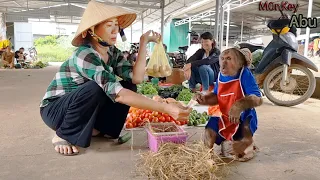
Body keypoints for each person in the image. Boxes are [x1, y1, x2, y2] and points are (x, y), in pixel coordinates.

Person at [39, 0, 191, 156]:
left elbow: (136, 78)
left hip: (81, 108)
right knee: (99, 88)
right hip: (56, 110)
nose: (115, 30)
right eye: (108, 25)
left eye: (116, 25)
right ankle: (62, 133)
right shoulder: (85, 54)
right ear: (92, 30)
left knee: (128, 85)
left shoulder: (112, 52)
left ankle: (103, 128)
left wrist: (143, 42)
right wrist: (166, 108)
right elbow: (118, 94)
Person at [195, 48, 263, 162]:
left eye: (229, 59)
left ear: (239, 63)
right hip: (225, 117)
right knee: (210, 127)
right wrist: (204, 99)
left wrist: (239, 106)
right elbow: (217, 96)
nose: (224, 64)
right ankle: (206, 155)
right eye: (222, 59)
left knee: (241, 154)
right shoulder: (221, 75)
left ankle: (247, 142)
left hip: (242, 119)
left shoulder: (244, 74)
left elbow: (258, 99)